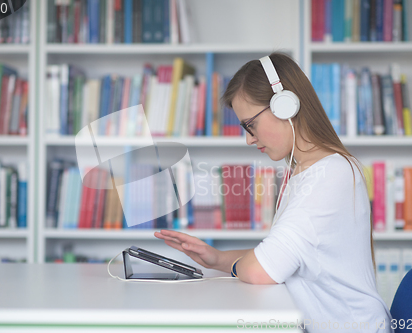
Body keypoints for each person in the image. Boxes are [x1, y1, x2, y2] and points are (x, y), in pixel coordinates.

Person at [154, 52, 393, 333]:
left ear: (285, 106)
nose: (248, 139)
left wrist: (239, 265)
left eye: (250, 125)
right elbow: (282, 258)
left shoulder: (329, 176)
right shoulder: (309, 171)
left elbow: (258, 269)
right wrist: (216, 258)